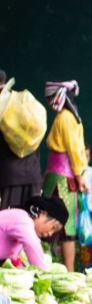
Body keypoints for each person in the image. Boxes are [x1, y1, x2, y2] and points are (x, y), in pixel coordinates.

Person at [41, 80, 89, 271]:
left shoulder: (65, 118)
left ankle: (67, 271)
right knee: (63, 224)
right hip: (64, 177)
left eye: (51, 98)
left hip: (61, 180)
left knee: (61, 225)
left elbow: (74, 149)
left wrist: (79, 177)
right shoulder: (71, 117)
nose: (50, 102)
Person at [0, 71, 42, 212]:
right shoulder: (24, 102)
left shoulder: (2, 108)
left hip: (9, 177)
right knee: (29, 223)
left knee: (7, 225)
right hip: (33, 174)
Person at [0, 195, 67, 270]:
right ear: (43, 214)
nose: (50, 233)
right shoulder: (22, 219)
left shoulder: (24, 223)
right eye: (53, 228)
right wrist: (42, 274)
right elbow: (32, 245)